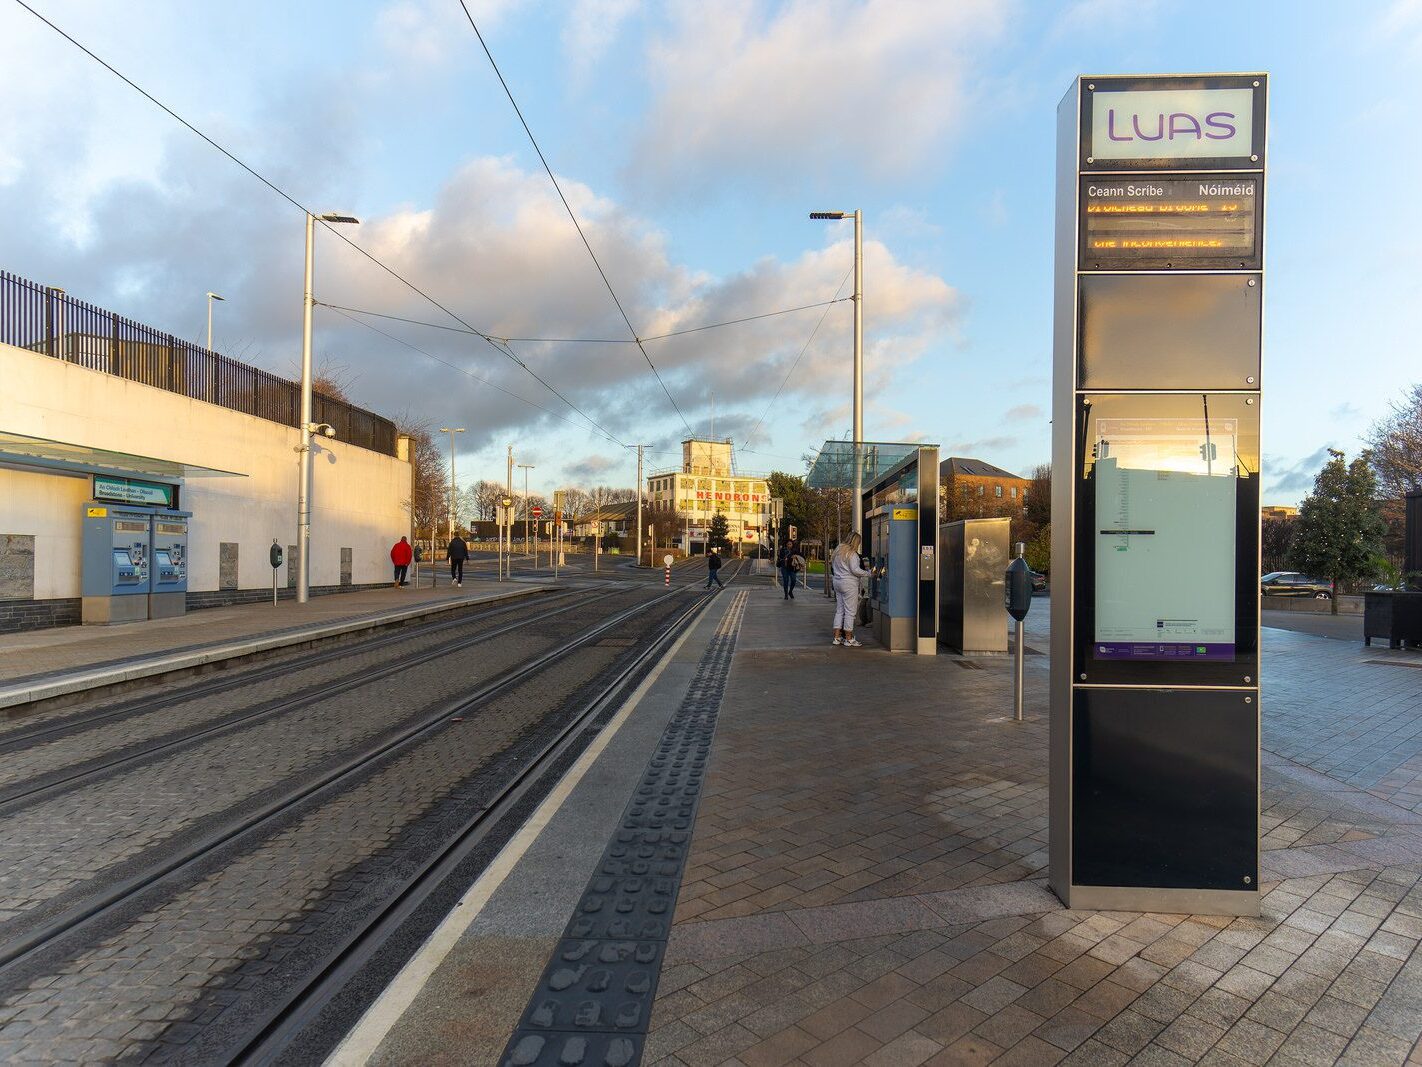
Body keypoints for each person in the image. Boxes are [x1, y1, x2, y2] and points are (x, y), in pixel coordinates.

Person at [830, 532, 869, 646]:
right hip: (849, 584)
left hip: (837, 582)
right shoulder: (852, 554)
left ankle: (837, 638)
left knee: (840, 610)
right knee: (850, 612)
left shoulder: (838, 550)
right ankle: (849, 638)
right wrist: (868, 573)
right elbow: (855, 570)